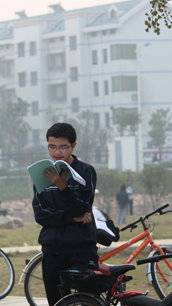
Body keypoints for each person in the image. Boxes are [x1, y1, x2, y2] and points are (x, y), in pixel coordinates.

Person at [32, 122, 98, 306]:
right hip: (52, 249)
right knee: (57, 302)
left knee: (89, 300)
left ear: (73, 146)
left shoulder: (86, 171)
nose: (57, 152)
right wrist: (71, 218)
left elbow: (83, 209)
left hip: (82, 249)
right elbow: (41, 214)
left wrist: (63, 186)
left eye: (62, 147)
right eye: (52, 147)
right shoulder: (42, 173)